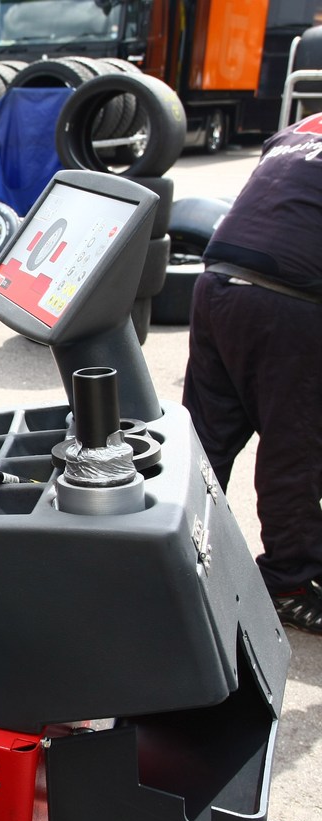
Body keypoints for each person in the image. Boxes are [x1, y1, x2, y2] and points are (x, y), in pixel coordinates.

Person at [182, 112, 322, 635]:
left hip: (217, 282)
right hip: (285, 300)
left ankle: (172, 557)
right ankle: (290, 583)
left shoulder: (304, 126)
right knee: (296, 446)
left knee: (205, 444)